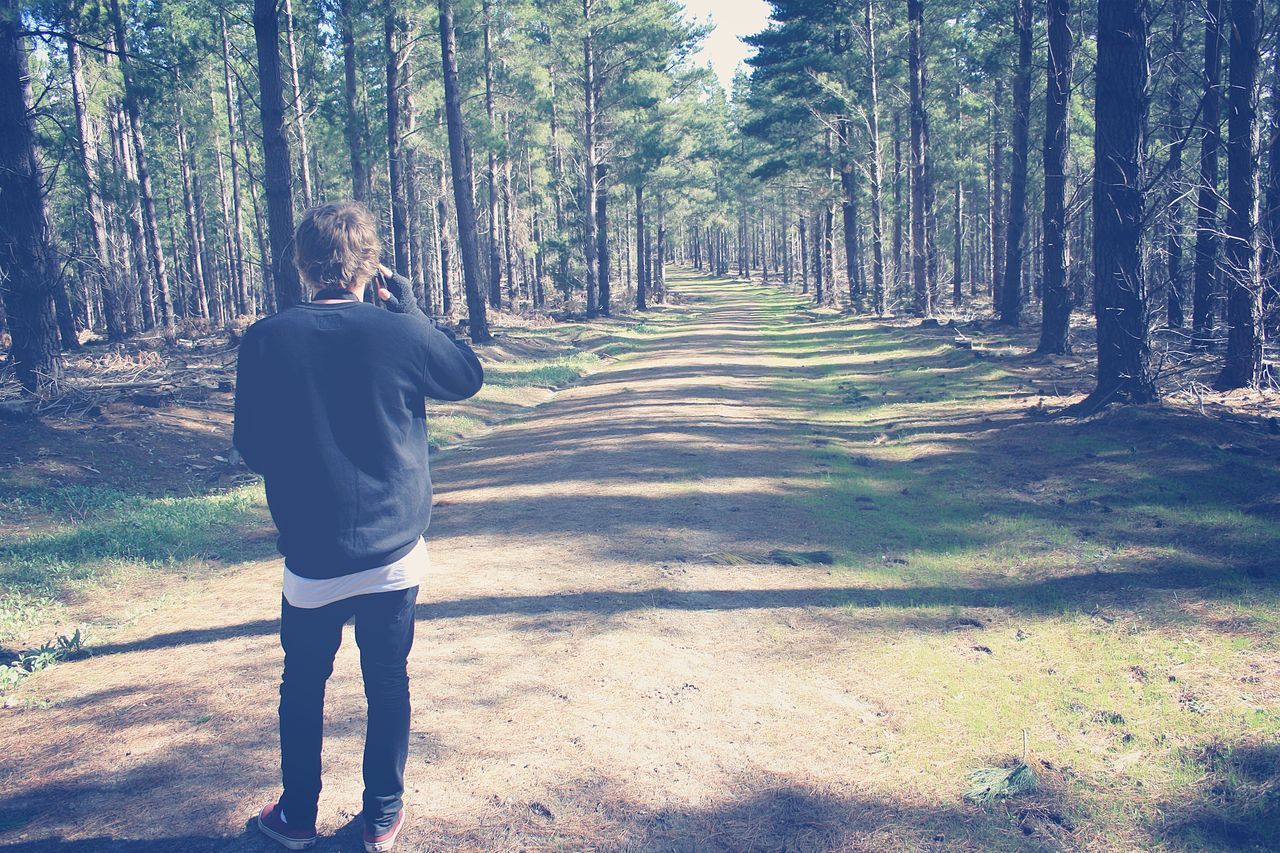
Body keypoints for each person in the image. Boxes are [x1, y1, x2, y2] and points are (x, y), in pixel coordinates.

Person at [233, 201, 484, 851]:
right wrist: (411, 312)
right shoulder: (396, 332)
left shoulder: (265, 338)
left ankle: (295, 816)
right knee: (386, 680)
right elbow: (465, 376)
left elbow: (253, 448)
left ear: (301, 265)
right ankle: (380, 818)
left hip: (312, 557)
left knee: (303, 684)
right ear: (370, 266)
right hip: (392, 553)